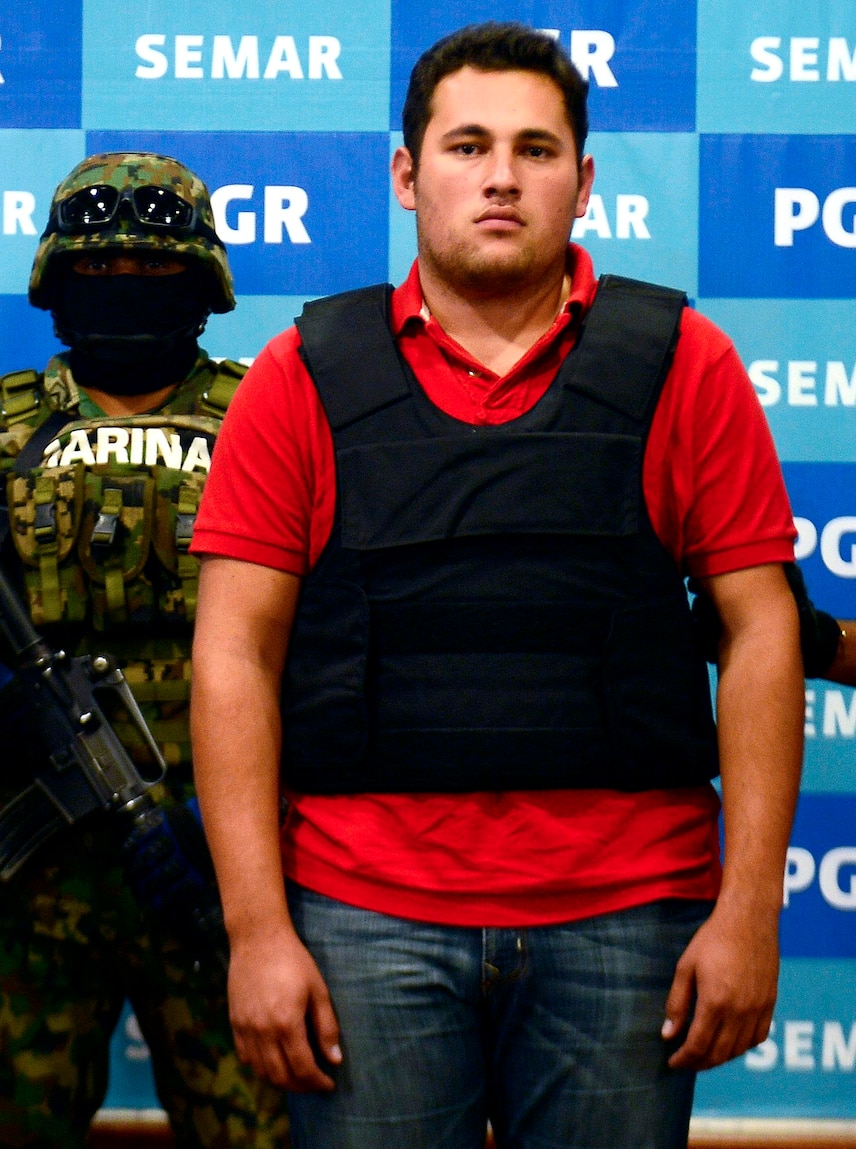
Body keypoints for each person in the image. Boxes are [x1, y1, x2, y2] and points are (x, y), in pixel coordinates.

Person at [190, 22, 804, 1149]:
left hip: (630, 920)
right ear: (407, 174)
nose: (502, 177)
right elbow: (236, 653)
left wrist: (750, 908)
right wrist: (256, 931)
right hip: (360, 922)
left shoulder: (683, 363)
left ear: (583, 182)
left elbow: (760, 630)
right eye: (468, 145)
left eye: (535, 149)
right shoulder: (301, 376)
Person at [0, 153, 292, 1148]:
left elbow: (335, 633)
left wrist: (227, 827)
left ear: (201, 286)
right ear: (56, 285)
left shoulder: (265, 415)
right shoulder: (8, 429)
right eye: (99, 275)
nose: (125, 294)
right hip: (33, 883)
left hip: (223, 861)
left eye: (155, 277)